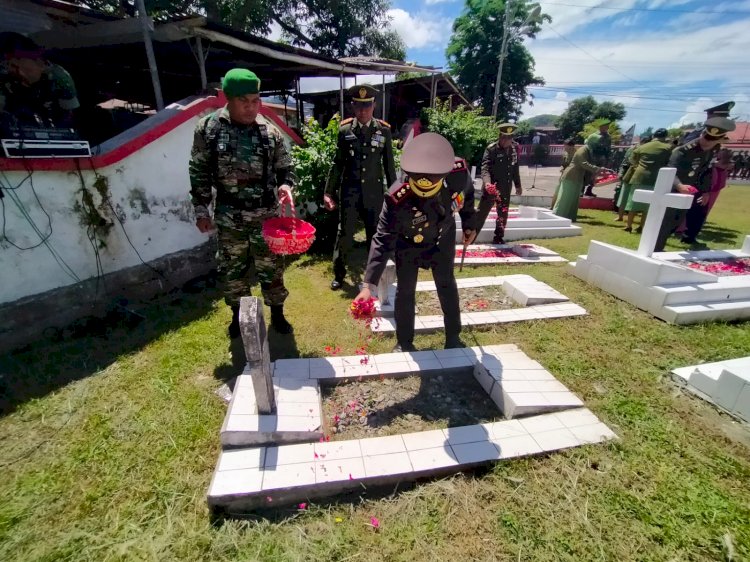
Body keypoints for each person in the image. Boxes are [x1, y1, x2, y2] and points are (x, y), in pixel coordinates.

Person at [189, 68, 296, 337]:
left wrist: (285, 185)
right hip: (229, 215)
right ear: (229, 98)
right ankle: (238, 317)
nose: (251, 108)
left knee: (271, 268)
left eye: (255, 101)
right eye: (244, 102)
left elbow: (286, 168)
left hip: (266, 216)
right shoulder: (209, 129)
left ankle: (278, 315)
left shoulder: (269, 132)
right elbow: (198, 172)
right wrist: (202, 210)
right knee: (232, 270)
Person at [353, 133, 477, 352]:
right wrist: (368, 286)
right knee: (405, 290)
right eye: (421, 192)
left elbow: (466, 194)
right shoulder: (396, 197)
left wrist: (469, 224)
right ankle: (404, 341)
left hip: (442, 238)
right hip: (408, 243)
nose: (426, 194)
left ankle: (453, 337)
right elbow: (382, 239)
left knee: (447, 285)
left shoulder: (456, 172)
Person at [324, 84, 396, 290]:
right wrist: (329, 192)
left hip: (374, 194)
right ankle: (339, 274)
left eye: (367, 106)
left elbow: (389, 166)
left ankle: (375, 275)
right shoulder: (345, 130)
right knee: (344, 234)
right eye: (358, 106)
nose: (363, 111)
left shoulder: (384, 130)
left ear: (374, 105)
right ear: (353, 107)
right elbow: (337, 163)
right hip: (350, 193)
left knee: (376, 234)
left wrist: (394, 194)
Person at [655, 116, 735, 250]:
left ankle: (659, 246)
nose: (707, 143)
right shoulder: (682, 151)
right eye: (706, 138)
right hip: (673, 189)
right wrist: (679, 185)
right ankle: (656, 249)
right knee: (666, 221)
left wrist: (706, 191)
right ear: (703, 133)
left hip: (691, 192)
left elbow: (706, 171)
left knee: (677, 221)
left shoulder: (712, 151)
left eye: (712, 141)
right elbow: (670, 170)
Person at [0, 32, 79, 130]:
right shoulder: (4, 75)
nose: (20, 73)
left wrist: (57, 135)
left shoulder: (59, 77)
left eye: (24, 68)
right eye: (12, 66)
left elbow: (68, 114)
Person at [474, 123, 522, 245]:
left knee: (503, 214)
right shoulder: (491, 149)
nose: (507, 141)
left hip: (505, 188)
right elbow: (485, 169)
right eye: (504, 138)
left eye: (510, 138)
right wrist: (487, 184)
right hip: (491, 188)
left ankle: (498, 237)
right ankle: (471, 238)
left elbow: (515, 168)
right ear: (500, 137)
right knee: (481, 214)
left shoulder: (514, 149)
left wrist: (518, 185)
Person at [621, 129, 671, 233]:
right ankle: (642, 227)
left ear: (653, 136)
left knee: (633, 202)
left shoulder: (642, 147)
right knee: (649, 205)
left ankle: (628, 225)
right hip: (656, 178)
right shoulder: (668, 148)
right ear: (665, 137)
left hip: (638, 177)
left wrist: (639, 166)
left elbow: (632, 160)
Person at [553, 135, 609, 221]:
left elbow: (588, 163)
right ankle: (558, 216)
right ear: (592, 141)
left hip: (578, 177)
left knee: (573, 199)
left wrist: (599, 170)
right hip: (571, 176)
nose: (599, 144)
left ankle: (569, 217)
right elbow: (583, 163)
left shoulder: (588, 150)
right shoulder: (582, 150)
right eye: (597, 142)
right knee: (565, 198)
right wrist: (598, 169)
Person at [615, 136, 647, 221]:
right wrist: (621, 173)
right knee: (624, 196)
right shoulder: (632, 149)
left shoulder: (647, 152)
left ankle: (629, 218)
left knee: (634, 198)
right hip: (629, 174)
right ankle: (620, 216)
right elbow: (624, 162)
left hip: (639, 177)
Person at [582, 119, 612, 197]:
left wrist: (608, 160)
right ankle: (581, 190)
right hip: (592, 158)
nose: (607, 128)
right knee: (586, 174)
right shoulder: (593, 136)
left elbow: (609, 149)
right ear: (601, 127)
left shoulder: (608, 137)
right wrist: (589, 158)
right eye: (605, 126)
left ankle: (589, 190)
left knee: (595, 176)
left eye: (608, 126)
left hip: (602, 158)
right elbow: (588, 147)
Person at [551, 138, 576, 210]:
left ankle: (564, 208)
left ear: (571, 146)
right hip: (563, 175)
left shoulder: (576, 155)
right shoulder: (565, 153)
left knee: (566, 193)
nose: (564, 147)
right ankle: (552, 207)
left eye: (566, 146)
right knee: (557, 191)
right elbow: (563, 163)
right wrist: (562, 167)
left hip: (571, 176)